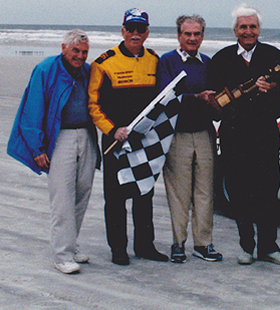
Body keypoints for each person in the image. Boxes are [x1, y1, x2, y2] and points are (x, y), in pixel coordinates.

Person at [207, 4, 280, 266]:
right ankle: (247, 246)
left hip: (265, 134)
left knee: (268, 192)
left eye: (253, 27)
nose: (248, 31)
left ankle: (269, 247)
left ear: (259, 30)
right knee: (239, 192)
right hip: (234, 135)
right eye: (243, 27)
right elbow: (214, 103)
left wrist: (273, 88)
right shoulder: (222, 58)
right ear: (235, 30)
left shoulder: (274, 55)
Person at [7, 29, 100, 274]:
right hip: (61, 139)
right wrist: (37, 148)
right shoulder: (46, 69)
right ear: (63, 48)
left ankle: (71, 244)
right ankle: (62, 255)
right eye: (75, 51)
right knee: (62, 198)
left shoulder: (87, 71)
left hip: (87, 136)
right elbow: (32, 109)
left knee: (82, 193)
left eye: (84, 52)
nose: (80, 56)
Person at [88, 8, 167, 265]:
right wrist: (113, 130)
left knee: (144, 193)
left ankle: (144, 246)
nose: (135, 34)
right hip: (115, 140)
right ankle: (118, 249)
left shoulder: (154, 60)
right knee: (115, 197)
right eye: (130, 28)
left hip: (144, 140)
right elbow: (93, 106)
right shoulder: (103, 63)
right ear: (122, 30)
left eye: (141, 29)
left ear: (147, 32)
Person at [157, 15, 222, 263]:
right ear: (179, 36)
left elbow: (217, 98)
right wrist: (196, 98)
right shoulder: (167, 62)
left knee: (206, 191)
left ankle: (204, 243)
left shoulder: (208, 62)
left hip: (205, 133)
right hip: (177, 134)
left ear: (202, 36)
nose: (192, 38)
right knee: (179, 193)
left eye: (197, 34)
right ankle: (178, 243)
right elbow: (164, 99)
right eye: (187, 34)